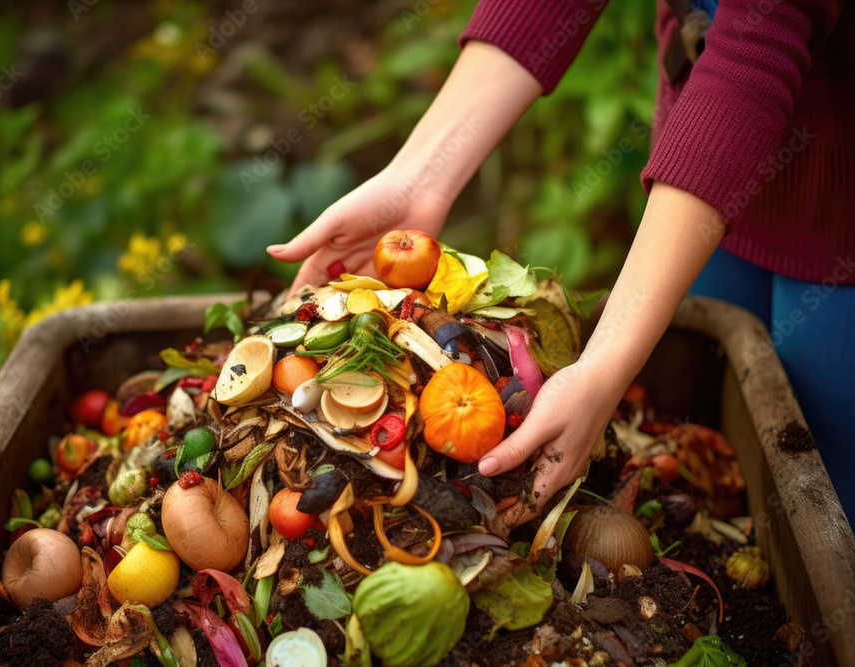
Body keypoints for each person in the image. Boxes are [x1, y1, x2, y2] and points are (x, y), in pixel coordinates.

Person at [267, 0, 855, 525]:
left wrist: (603, 368)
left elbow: (762, 36)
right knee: (720, 438)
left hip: (832, 189)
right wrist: (419, 177)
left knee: (825, 472)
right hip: (709, 173)